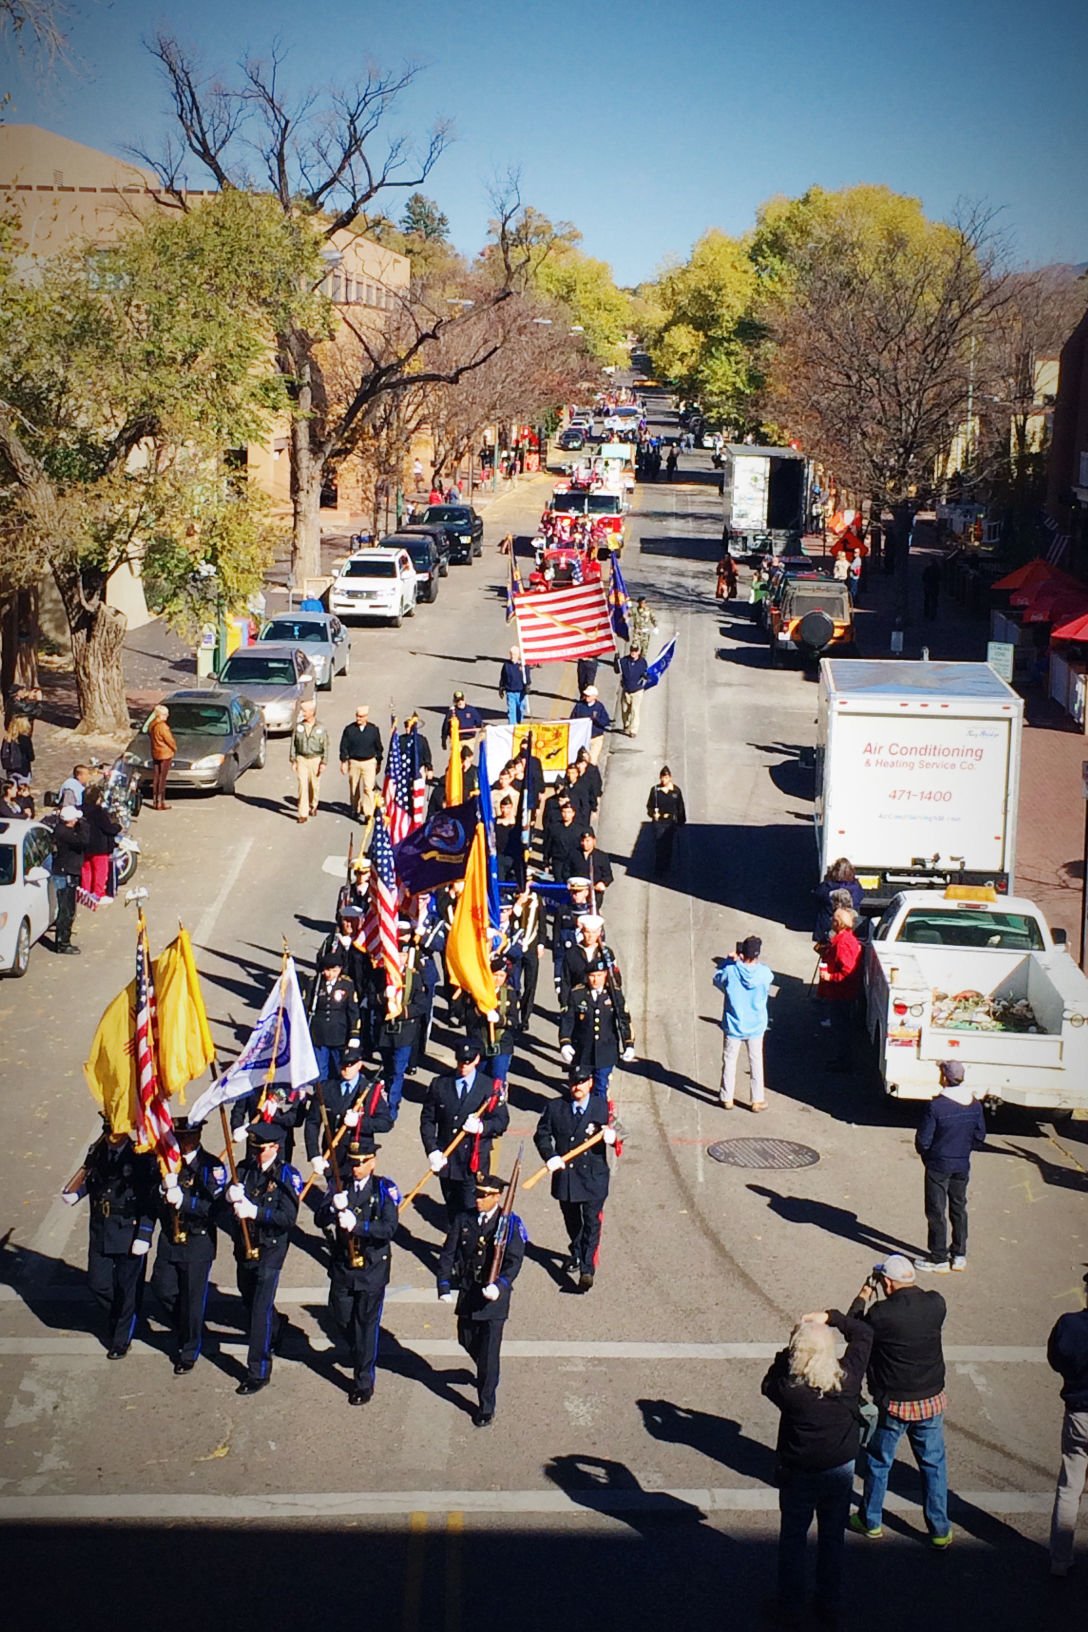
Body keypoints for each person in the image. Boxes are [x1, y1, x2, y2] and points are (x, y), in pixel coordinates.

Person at [762, 1307, 874, 1627]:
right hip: (839, 1468)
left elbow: (769, 1379)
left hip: (799, 1470)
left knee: (794, 1538)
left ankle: (791, 1605)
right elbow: (864, 1334)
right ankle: (829, 1602)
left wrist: (790, 1348)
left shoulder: (790, 1391)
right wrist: (833, 1318)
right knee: (831, 1537)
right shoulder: (848, 1380)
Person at [847, 1254, 952, 1547]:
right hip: (930, 1399)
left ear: (888, 1283)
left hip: (894, 1402)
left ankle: (870, 1519)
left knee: (880, 1461)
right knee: (933, 1464)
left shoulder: (881, 1315)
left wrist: (863, 1296)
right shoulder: (936, 1304)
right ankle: (939, 1528)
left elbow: (855, 1332)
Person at [314, 1133, 400, 1405]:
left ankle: (363, 1380)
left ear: (373, 1162)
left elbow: (389, 1228)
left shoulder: (384, 1189)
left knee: (366, 1323)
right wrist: (331, 1208)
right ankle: (360, 1351)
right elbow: (319, 1219)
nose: (356, 1168)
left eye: (362, 1162)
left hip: (372, 1266)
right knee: (340, 1314)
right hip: (343, 1265)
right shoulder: (339, 1186)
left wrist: (359, 1226)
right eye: (353, 1163)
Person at [437, 1169, 527, 1426]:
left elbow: (514, 1261)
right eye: (477, 1194)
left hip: (494, 1300)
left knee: (488, 1356)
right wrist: (444, 1284)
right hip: (469, 1291)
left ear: (497, 1197)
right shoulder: (464, 1219)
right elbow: (448, 1253)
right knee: (465, 1338)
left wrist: (500, 1285)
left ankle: (486, 1405)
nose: (478, 1199)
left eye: (485, 1195)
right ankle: (488, 1371)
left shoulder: (510, 1223)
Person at [65, 1125, 156, 1358]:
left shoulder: (141, 1157)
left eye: (116, 1130)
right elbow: (93, 1179)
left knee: (128, 1289)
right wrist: (78, 1191)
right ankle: (119, 1315)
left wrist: (144, 1234)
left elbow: (149, 1199)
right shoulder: (98, 1152)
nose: (112, 1136)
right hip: (101, 1228)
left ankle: (121, 1340)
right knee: (99, 1284)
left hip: (128, 1230)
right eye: (109, 1130)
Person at [225, 1122, 302, 1396]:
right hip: (245, 1247)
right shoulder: (244, 1171)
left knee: (259, 1309)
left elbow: (287, 1218)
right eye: (254, 1148)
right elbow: (224, 1207)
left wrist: (255, 1212)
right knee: (248, 1297)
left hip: (270, 1249)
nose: (257, 1153)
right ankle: (277, 1327)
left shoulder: (286, 1175)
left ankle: (257, 1370)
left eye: (262, 1149)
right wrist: (227, 1197)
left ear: (275, 1147)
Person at [150, 1117, 227, 1375]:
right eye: (179, 1137)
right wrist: (161, 1192)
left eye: (187, 1137)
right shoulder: (166, 1164)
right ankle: (186, 1327)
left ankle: (189, 1349)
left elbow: (214, 1209)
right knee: (163, 1288)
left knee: (193, 1300)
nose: (183, 1142)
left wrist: (184, 1202)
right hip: (170, 1239)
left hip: (197, 1241)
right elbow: (152, 1199)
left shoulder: (211, 1168)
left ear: (197, 1137)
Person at [533, 1072, 617, 1292]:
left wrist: (613, 1136)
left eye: (581, 1082)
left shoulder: (602, 1107)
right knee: (572, 1222)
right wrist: (549, 1155)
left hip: (593, 1177)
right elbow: (541, 1134)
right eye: (573, 1082)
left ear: (590, 1083)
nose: (576, 1086)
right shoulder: (556, 1107)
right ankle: (577, 1252)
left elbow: (620, 1130)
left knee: (591, 1222)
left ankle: (587, 1269)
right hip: (567, 1177)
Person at [420, 1039, 510, 1221]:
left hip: (473, 1162)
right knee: (452, 1210)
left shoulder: (489, 1087)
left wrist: (482, 1127)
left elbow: (502, 1120)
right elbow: (428, 1120)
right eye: (461, 1061)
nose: (464, 1066)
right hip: (447, 1158)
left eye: (468, 1062)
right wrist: (432, 1150)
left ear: (477, 1059)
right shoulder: (440, 1084)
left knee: (471, 1210)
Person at [913, 1062, 986, 1274]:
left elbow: (923, 1140)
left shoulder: (936, 1106)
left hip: (938, 1164)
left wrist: (928, 1156)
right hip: (962, 1163)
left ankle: (939, 1257)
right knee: (958, 1207)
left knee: (936, 1210)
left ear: (944, 1077)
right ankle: (959, 1254)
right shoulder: (974, 1105)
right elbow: (980, 1136)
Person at [1047, 1269, 1088, 1576]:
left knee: (1069, 1487)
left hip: (1079, 1414)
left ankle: (1060, 1559)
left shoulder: (1069, 1324)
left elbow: (1056, 1358)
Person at [305, 1047, 393, 1180]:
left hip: (360, 1156)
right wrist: (314, 1154)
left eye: (351, 1065)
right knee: (334, 1196)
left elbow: (386, 1123)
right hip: (333, 1154)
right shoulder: (326, 1089)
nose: (346, 1069)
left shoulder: (371, 1091)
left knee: (356, 1198)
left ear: (359, 1065)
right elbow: (313, 1122)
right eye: (343, 1064)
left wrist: (360, 1123)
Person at [714, 936, 773, 1112]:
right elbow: (768, 981)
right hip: (756, 1024)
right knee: (755, 1060)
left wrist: (728, 962)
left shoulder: (731, 971)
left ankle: (726, 1097)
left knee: (729, 1060)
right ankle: (757, 1099)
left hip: (734, 1024)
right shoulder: (764, 973)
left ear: (741, 953)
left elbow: (717, 980)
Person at [559, 957, 634, 1094]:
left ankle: (599, 1113)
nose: (595, 980)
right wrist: (565, 1042)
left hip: (606, 1050)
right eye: (592, 976)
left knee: (601, 1086)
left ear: (605, 974)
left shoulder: (613, 994)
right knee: (581, 1086)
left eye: (599, 975)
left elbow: (623, 1019)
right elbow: (568, 1020)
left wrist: (628, 1044)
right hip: (583, 1051)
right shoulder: (577, 994)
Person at [817, 907, 863, 1070]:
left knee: (841, 1027)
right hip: (844, 993)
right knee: (842, 1027)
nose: (831, 922)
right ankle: (843, 1058)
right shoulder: (846, 939)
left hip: (841, 993)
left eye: (833, 920)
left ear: (838, 923)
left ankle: (844, 1061)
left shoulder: (843, 943)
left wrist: (831, 977)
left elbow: (847, 969)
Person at [307, 949, 360, 1083]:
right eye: (327, 970)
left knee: (338, 1068)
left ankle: (335, 1097)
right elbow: (306, 1006)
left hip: (339, 1034)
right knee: (320, 1069)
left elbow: (353, 1011)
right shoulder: (315, 983)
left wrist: (354, 1034)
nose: (330, 974)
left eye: (334, 971)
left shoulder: (347, 984)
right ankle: (320, 1099)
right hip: (319, 1034)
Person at [50, 803, 88, 954]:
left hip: (66, 872)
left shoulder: (61, 830)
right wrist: (84, 826)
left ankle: (64, 940)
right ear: (70, 820)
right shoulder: (65, 834)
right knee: (66, 909)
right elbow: (83, 841)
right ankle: (62, 943)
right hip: (65, 874)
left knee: (67, 908)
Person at [338, 705, 383, 822]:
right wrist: (343, 761)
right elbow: (344, 746)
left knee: (368, 788)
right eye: (357, 716)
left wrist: (379, 761)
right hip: (354, 762)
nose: (358, 718)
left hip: (369, 762)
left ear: (366, 717)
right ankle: (355, 808)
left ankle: (368, 813)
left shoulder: (373, 730)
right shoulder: (349, 730)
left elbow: (379, 747)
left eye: (361, 716)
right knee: (354, 787)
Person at [80, 784, 121, 901]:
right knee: (100, 872)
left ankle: (85, 894)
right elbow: (108, 828)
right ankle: (98, 894)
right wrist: (117, 827)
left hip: (84, 846)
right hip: (99, 847)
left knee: (86, 871)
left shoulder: (80, 810)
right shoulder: (99, 812)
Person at [289, 701, 329, 824]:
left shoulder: (321, 728)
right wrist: (293, 759)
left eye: (305, 711)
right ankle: (303, 813)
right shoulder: (299, 727)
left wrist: (324, 762)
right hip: (302, 758)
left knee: (313, 785)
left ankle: (313, 804)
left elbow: (325, 746)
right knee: (302, 785)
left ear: (312, 712)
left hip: (315, 758)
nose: (303, 713)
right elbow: (293, 744)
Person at [812, 859, 864, 947]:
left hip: (828, 931)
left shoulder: (827, 886)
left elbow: (817, 894)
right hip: (849, 930)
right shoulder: (856, 888)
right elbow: (860, 897)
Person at [646, 765, 686, 876]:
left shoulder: (676, 791)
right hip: (659, 822)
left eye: (666, 778)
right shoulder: (655, 791)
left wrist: (681, 822)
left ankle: (666, 867)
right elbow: (649, 806)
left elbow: (680, 807)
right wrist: (653, 814)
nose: (664, 780)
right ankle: (659, 868)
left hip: (670, 822)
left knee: (668, 845)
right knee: (659, 845)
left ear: (670, 778)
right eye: (662, 777)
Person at [572, 685, 610, 767]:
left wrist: (596, 719)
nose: (586, 697)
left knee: (592, 762)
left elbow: (606, 722)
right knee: (582, 761)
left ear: (594, 696)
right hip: (582, 738)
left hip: (596, 738)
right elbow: (573, 719)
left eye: (588, 695)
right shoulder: (579, 706)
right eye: (585, 695)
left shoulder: (599, 707)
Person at [147, 705, 176, 811]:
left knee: (156, 777)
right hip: (165, 753)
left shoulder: (152, 725)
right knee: (162, 778)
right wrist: (174, 748)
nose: (167, 716)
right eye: (165, 714)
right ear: (160, 715)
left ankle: (155, 801)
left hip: (155, 752)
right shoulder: (163, 727)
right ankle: (160, 802)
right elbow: (169, 740)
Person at [618, 643, 648, 738]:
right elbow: (617, 670)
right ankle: (626, 725)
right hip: (626, 690)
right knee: (624, 710)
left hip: (637, 691)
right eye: (632, 650)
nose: (633, 652)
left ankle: (634, 730)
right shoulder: (624, 660)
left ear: (639, 652)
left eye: (635, 651)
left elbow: (646, 673)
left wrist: (645, 676)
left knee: (635, 710)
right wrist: (616, 661)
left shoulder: (642, 662)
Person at [498, 646, 530, 725]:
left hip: (520, 692)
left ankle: (518, 724)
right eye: (511, 654)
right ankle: (511, 727)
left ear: (518, 655)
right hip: (510, 692)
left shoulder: (523, 665)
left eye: (515, 654)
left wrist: (527, 686)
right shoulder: (506, 665)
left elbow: (527, 676)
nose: (513, 656)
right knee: (511, 711)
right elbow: (503, 677)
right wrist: (501, 688)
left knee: (520, 709)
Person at [579, 828, 613, 900]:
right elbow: (566, 871)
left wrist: (603, 883)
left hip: (595, 893)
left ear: (594, 841)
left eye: (588, 841)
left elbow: (608, 876)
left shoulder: (602, 856)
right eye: (583, 841)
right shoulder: (574, 854)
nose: (585, 843)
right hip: (578, 892)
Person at [1, 712, 34, 783]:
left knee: (13, 788)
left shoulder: (7, 739)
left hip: (10, 769)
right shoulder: (25, 739)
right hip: (23, 770)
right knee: (22, 789)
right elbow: (31, 757)